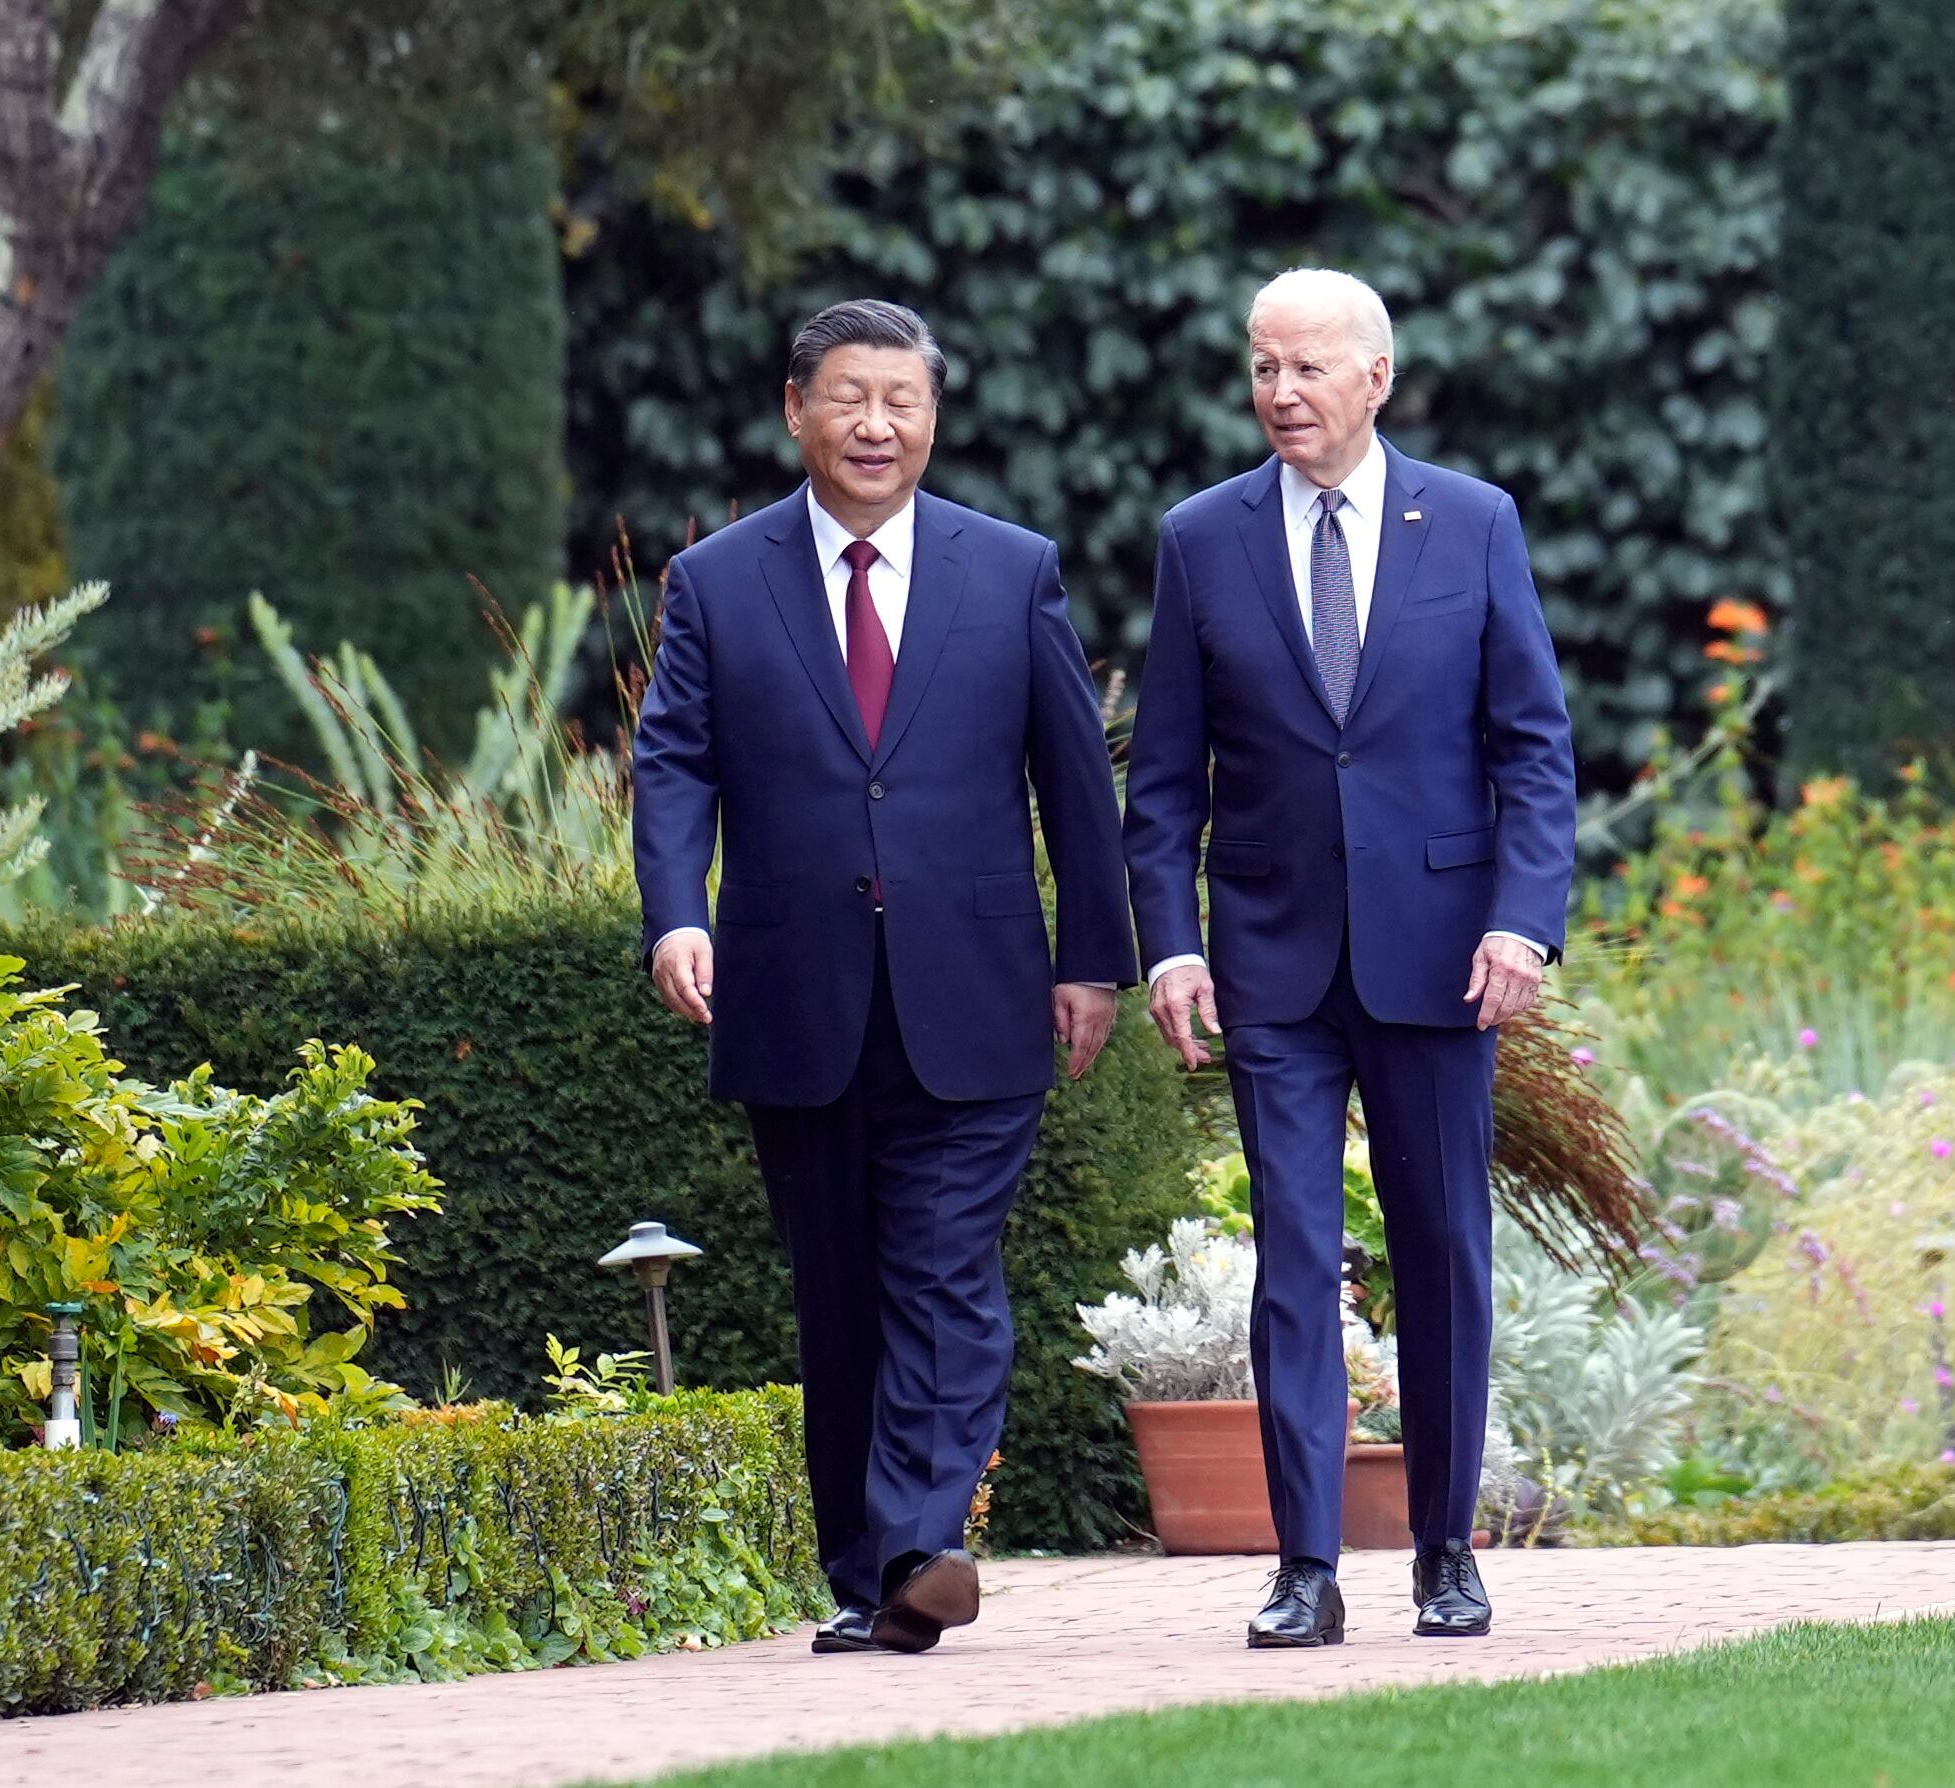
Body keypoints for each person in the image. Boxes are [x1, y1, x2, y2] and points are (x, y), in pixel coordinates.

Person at [633, 299, 1134, 1654]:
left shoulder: (1009, 567)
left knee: (944, 1267)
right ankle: (869, 1576)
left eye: (901, 400)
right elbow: (674, 759)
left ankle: (922, 1539)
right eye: (849, 397)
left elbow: (1071, 781)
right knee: (841, 1289)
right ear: (795, 407)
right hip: (796, 995)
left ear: (932, 415)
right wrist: (677, 913)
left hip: (973, 988)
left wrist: (1096, 957)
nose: (876, 424)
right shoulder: (717, 581)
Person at [1122, 268, 1577, 1647]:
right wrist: (1171, 945)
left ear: (1375, 377)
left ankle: (1445, 1552)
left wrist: (1520, 918)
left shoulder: (1474, 524)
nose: (1281, 394)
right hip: (1270, 960)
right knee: (1293, 1257)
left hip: (1440, 961)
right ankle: (1303, 1569)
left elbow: (1531, 748)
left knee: (1442, 1249)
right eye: (1263, 368)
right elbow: (1163, 781)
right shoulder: (1200, 540)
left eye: (1308, 368)